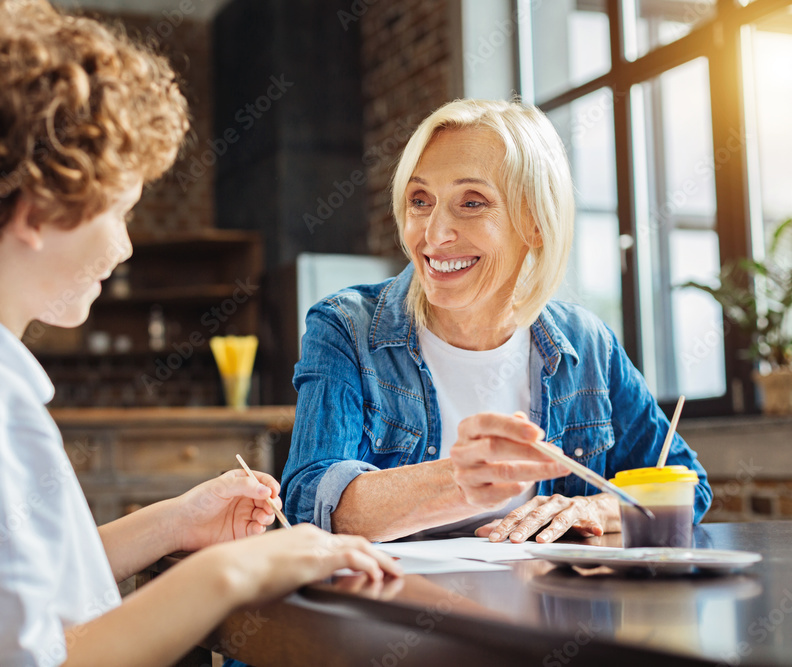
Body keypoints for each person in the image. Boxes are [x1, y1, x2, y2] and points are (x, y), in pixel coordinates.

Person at [0, 1, 401, 664]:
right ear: (36, 206)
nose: (125, 247)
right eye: (120, 211)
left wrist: (175, 521)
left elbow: (10, 583)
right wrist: (236, 571)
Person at [282, 98, 712, 544]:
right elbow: (307, 505)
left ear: (535, 223)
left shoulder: (586, 344)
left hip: (548, 609)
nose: (433, 234)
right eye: (420, 200)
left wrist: (592, 506)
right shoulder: (345, 327)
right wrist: (458, 482)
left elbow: (688, 487)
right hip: (392, 605)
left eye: (471, 202)